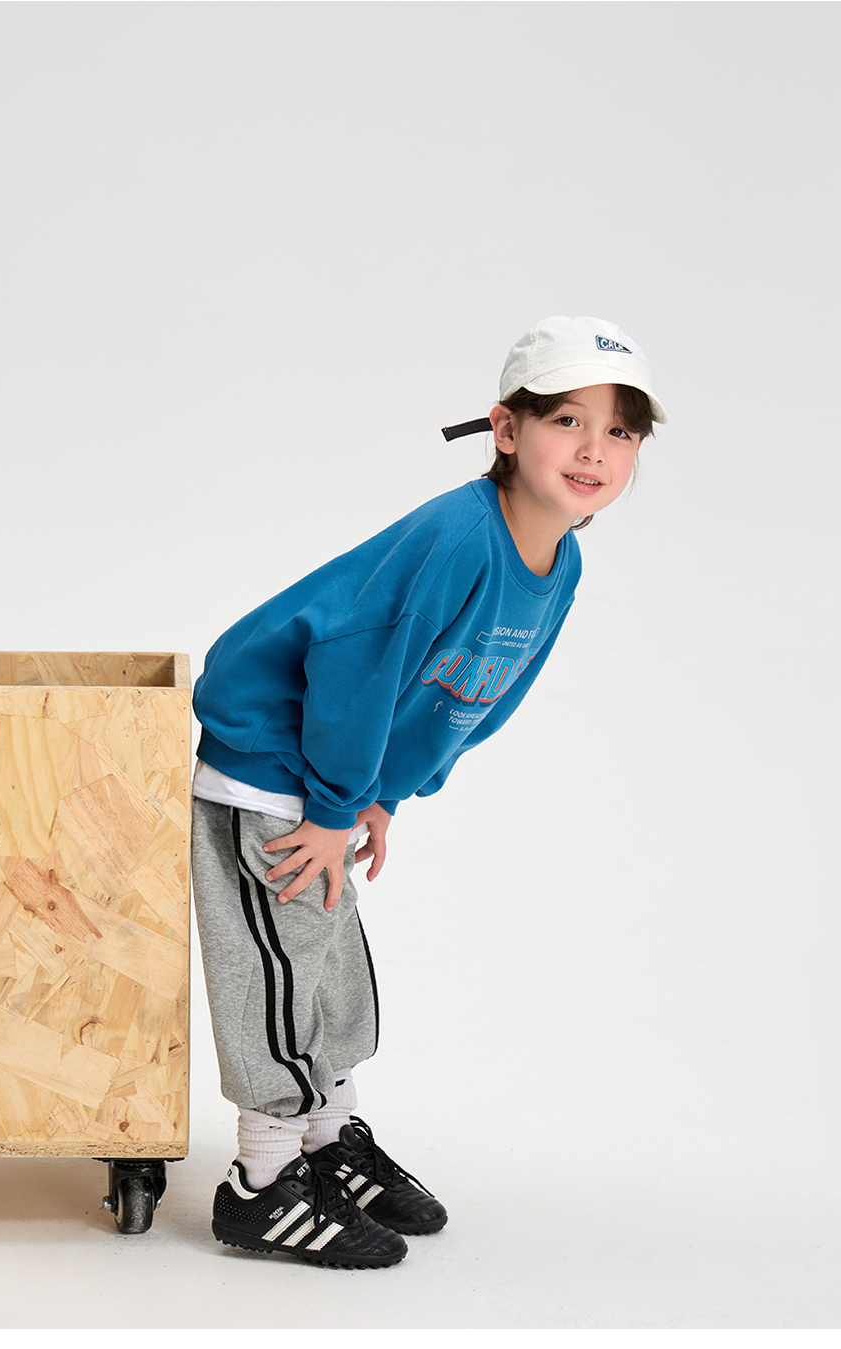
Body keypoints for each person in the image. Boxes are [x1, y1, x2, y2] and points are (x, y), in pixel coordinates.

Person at [190, 315, 667, 1268]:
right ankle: (261, 1182)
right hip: (275, 759)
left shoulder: (559, 560)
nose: (594, 449)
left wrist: (384, 795)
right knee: (280, 969)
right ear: (507, 429)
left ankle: (327, 1144)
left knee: (330, 962)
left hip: (334, 775)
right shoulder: (459, 537)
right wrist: (334, 803)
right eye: (568, 420)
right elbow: (356, 665)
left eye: (619, 430)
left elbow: (469, 698)